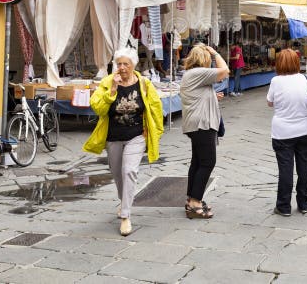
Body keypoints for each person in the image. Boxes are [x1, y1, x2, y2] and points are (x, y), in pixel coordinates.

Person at [83, 48, 164, 236]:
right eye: (118, 64)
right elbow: (97, 108)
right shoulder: (106, 82)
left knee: (129, 171)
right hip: (113, 136)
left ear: (133, 65)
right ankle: (123, 201)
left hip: (136, 135)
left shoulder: (144, 84)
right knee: (118, 174)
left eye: (125, 64)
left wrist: (155, 132)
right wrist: (112, 91)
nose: (121, 68)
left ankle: (126, 216)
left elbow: (155, 107)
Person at [266, 48, 307, 216]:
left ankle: (283, 206)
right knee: (305, 167)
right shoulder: (306, 79)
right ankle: (304, 203)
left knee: (285, 169)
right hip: (306, 130)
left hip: (282, 132)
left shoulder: (275, 81)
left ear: (279, 64)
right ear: (297, 63)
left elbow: (270, 103)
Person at [180, 43, 229, 218]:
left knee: (197, 162)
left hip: (195, 124)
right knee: (208, 162)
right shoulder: (198, 73)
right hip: (202, 124)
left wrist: (212, 97)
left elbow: (196, 96)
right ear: (204, 59)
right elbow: (225, 70)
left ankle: (190, 199)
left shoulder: (190, 75)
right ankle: (195, 202)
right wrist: (215, 53)